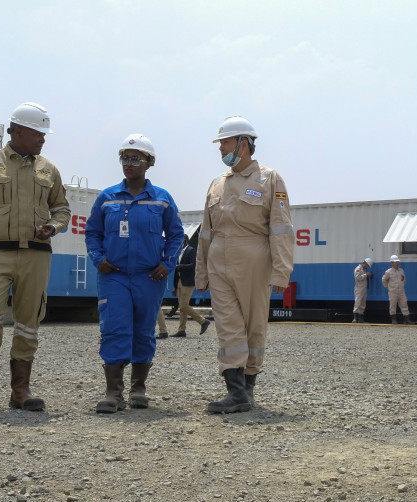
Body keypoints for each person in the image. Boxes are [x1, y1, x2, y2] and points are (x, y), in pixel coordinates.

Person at [0, 102, 70, 411]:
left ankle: (20, 390)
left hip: (36, 257)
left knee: (28, 322)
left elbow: (62, 209)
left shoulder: (49, 170)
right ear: (18, 131)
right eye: (38, 133)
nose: (43, 139)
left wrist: (54, 226)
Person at [195, 116, 295, 414]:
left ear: (243, 143)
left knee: (253, 326)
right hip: (219, 262)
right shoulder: (216, 184)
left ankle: (248, 387)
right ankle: (236, 392)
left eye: (224, 142)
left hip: (254, 260)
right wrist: (201, 272)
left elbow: (281, 227)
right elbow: (205, 233)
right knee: (227, 326)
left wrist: (281, 269)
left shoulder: (269, 179)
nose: (221, 148)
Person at [85, 133, 184, 414]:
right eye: (125, 158)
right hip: (113, 275)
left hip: (149, 277)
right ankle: (113, 393)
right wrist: (98, 258)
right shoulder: (107, 198)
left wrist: (168, 263)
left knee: (143, 331)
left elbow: (176, 235)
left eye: (135, 159)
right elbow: (92, 233)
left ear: (149, 163)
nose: (129, 164)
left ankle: (138, 388)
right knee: (115, 329)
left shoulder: (162, 200)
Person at [171, 234, 211, 338]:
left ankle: (203, 321)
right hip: (180, 281)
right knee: (182, 307)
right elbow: (176, 271)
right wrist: (175, 286)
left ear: (184, 240)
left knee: (184, 305)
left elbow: (194, 265)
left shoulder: (191, 250)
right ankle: (181, 330)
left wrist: (180, 266)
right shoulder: (179, 252)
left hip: (188, 282)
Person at [382, 254, 412, 324]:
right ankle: (394, 320)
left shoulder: (401, 270)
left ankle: (407, 320)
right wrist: (389, 287)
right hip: (393, 292)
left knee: (404, 304)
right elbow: (384, 280)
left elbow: (404, 279)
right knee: (393, 305)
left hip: (401, 291)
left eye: (397, 262)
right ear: (391, 263)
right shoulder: (388, 272)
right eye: (395, 262)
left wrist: (401, 286)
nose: (397, 263)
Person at [352, 257, 373, 323]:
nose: (367, 267)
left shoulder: (363, 270)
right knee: (358, 302)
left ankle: (360, 318)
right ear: (365, 263)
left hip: (363, 288)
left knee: (363, 303)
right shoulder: (358, 269)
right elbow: (358, 278)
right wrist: (366, 275)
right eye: (367, 266)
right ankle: (355, 318)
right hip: (359, 288)